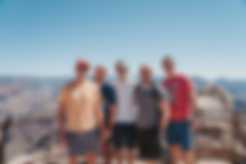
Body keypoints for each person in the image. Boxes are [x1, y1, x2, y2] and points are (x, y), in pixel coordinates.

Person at [58, 59, 105, 164]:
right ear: (75, 70)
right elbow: (61, 112)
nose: (82, 71)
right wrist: (61, 133)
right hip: (73, 130)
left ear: (87, 71)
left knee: (91, 160)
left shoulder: (94, 87)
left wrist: (102, 129)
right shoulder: (67, 88)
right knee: (73, 161)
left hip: (91, 130)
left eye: (84, 69)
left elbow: (98, 110)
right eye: (80, 68)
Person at [161, 56, 197, 164]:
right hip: (170, 121)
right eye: (166, 66)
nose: (168, 67)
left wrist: (193, 116)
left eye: (170, 65)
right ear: (163, 68)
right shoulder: (164, 83)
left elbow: (193, 98)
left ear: (174, 65)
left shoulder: (183, 79)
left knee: (188, 150)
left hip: (184, 120)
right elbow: (163, 104)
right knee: (173, 149)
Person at [134, 65, 169, 164]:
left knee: (155, 156)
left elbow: (165, 107)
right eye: (142, 72)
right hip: (141, 126)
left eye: (147, 72)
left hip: (154, 126)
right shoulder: (138, 88)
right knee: (145, 156)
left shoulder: (157, 88)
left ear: (151, 73)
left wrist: (163, 124)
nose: (144, 75)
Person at [112, 61, 137, 164]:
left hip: (132, 121)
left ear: (127, 70)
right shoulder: (113, 85)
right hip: (117, 121)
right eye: (119, 69)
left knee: (131, 148)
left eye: (123, 69)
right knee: (118, 149)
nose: (121, 71)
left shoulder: (134, 84)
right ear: (116, 71)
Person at [94, 65, 117, 164]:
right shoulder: (90, 86)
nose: (99, 74)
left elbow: (113, 107)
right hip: (91, 122)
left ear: (105, 74)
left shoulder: (108, 88)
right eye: (98, 72)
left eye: (102, 72)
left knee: (107, 148)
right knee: (92, 148)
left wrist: (110, 125)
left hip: (105, 121)